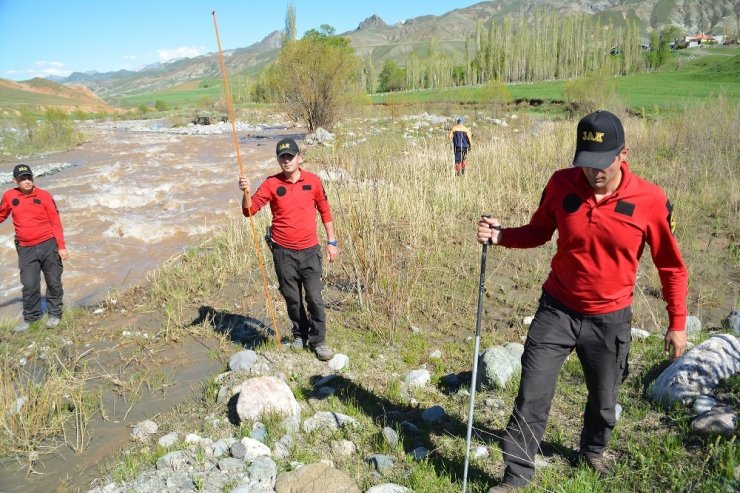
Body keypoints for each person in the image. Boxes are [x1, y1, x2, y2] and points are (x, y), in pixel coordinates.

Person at [476, 110, 688, 492]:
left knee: (604, 401)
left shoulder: (650, 200)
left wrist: (677, 322)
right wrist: (501, 236)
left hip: (610, 319)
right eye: (587, 165)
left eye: (602, 164)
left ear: (624, 153)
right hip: (557, 309)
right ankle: (515, 476)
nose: (594, 173)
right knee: (532, 393)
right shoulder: (561, 184)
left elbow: (671, 267)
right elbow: (539, 231)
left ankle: (592, 450)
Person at [238, 138, 339, 361]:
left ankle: (318, 341)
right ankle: (299, 335)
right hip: (283, 252)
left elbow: (325, 210)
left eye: (290, 156)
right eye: (282, 157)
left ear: (299, 158)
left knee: (314, 297)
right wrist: (245, 192)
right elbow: (249, 211)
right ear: (278, 160)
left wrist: (332, 242)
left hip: (310, 250)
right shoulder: (271, 184)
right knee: (292, 298)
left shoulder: (313, 181)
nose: (287, 160)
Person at [0, 164, 69, 332]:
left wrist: (61, 246)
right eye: (23, 178)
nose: (27, 181)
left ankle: (54, 314)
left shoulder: (44, 196)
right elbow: (1, 215)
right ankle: (31, 318)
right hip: (25, 249)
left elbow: (55, 222)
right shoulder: (9, 196)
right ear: (14, 180)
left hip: (48, 245)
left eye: (29, 177)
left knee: (53, 281)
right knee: (30, 284)